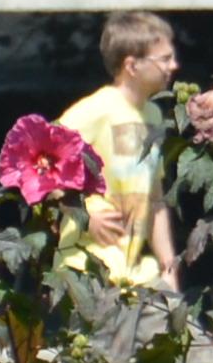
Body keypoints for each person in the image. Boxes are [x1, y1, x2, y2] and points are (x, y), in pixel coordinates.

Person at [54, 15, 181, 289]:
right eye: (165, 58)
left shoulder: (153, 116)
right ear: (132, 65)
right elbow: (41, 168)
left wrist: (168, 264)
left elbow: (155, 198)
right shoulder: (95, 110)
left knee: (186, 332)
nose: (174, 65)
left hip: (137, 274)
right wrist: (86, 218)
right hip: (88, 270)